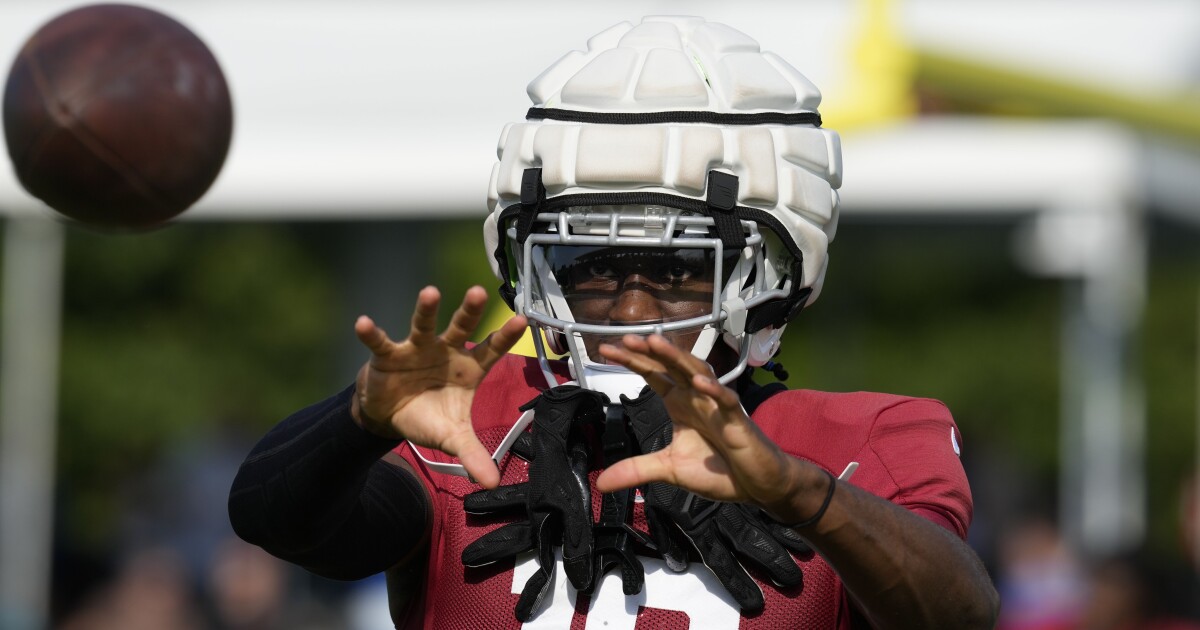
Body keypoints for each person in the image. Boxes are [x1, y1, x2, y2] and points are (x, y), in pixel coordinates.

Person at [228, 15, 1000, 629]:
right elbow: (274, 519)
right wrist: (359, 418)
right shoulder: (478, 429)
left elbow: (958, 615)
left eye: (674, 270)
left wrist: (801, 496)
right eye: (589, 267)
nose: (631, 312)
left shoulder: (865, 440)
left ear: (770, 272)